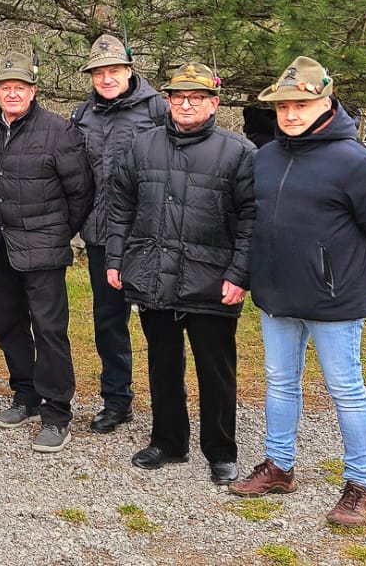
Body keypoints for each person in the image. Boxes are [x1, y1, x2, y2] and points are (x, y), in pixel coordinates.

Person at [230, 57, 366, 527]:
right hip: (276, 298)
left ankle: (359, 485)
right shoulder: (265, 157)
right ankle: (279, 467)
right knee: (280, 382)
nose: (290, 114)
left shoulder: (354, 162)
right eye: (283, 106)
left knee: (346, 391)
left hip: (335, 303)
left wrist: (357, 286)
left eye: (301, 105)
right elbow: (256, 223)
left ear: (325, 102)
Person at [106, 62, 256, 485]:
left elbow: (251, 221)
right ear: (167, 101)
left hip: (212, 280)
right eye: (177, 97)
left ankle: (221, 449)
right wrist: (116, 260)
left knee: (216, 369)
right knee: (163, 364)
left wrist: (240, 273)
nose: (185, 105)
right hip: (155, 275)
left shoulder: (239, 152)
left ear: (214, 103)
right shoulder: (142, 146)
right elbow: (120, 208)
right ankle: (168, 440)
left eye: (196, 98)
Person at [0, 52, 92, 454]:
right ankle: (25, 395)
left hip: (43, 250)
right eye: (4, 88)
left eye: (19, 87)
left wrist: (58, 233)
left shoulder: (59, 132)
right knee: (9, 327)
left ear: (33, 91)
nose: (11, 93)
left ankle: (57, 413)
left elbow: (80, 192)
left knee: (50, 331)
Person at [69, 33, 169, 433]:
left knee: (158, 323)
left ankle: (168, 404)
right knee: (108, 320)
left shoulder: (158, 109)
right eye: (99, 73)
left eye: (114, 71)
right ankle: (116, 399)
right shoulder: (83, 115)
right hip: (100, 234)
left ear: (129, 71)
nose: (106, 78)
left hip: (148, 235)